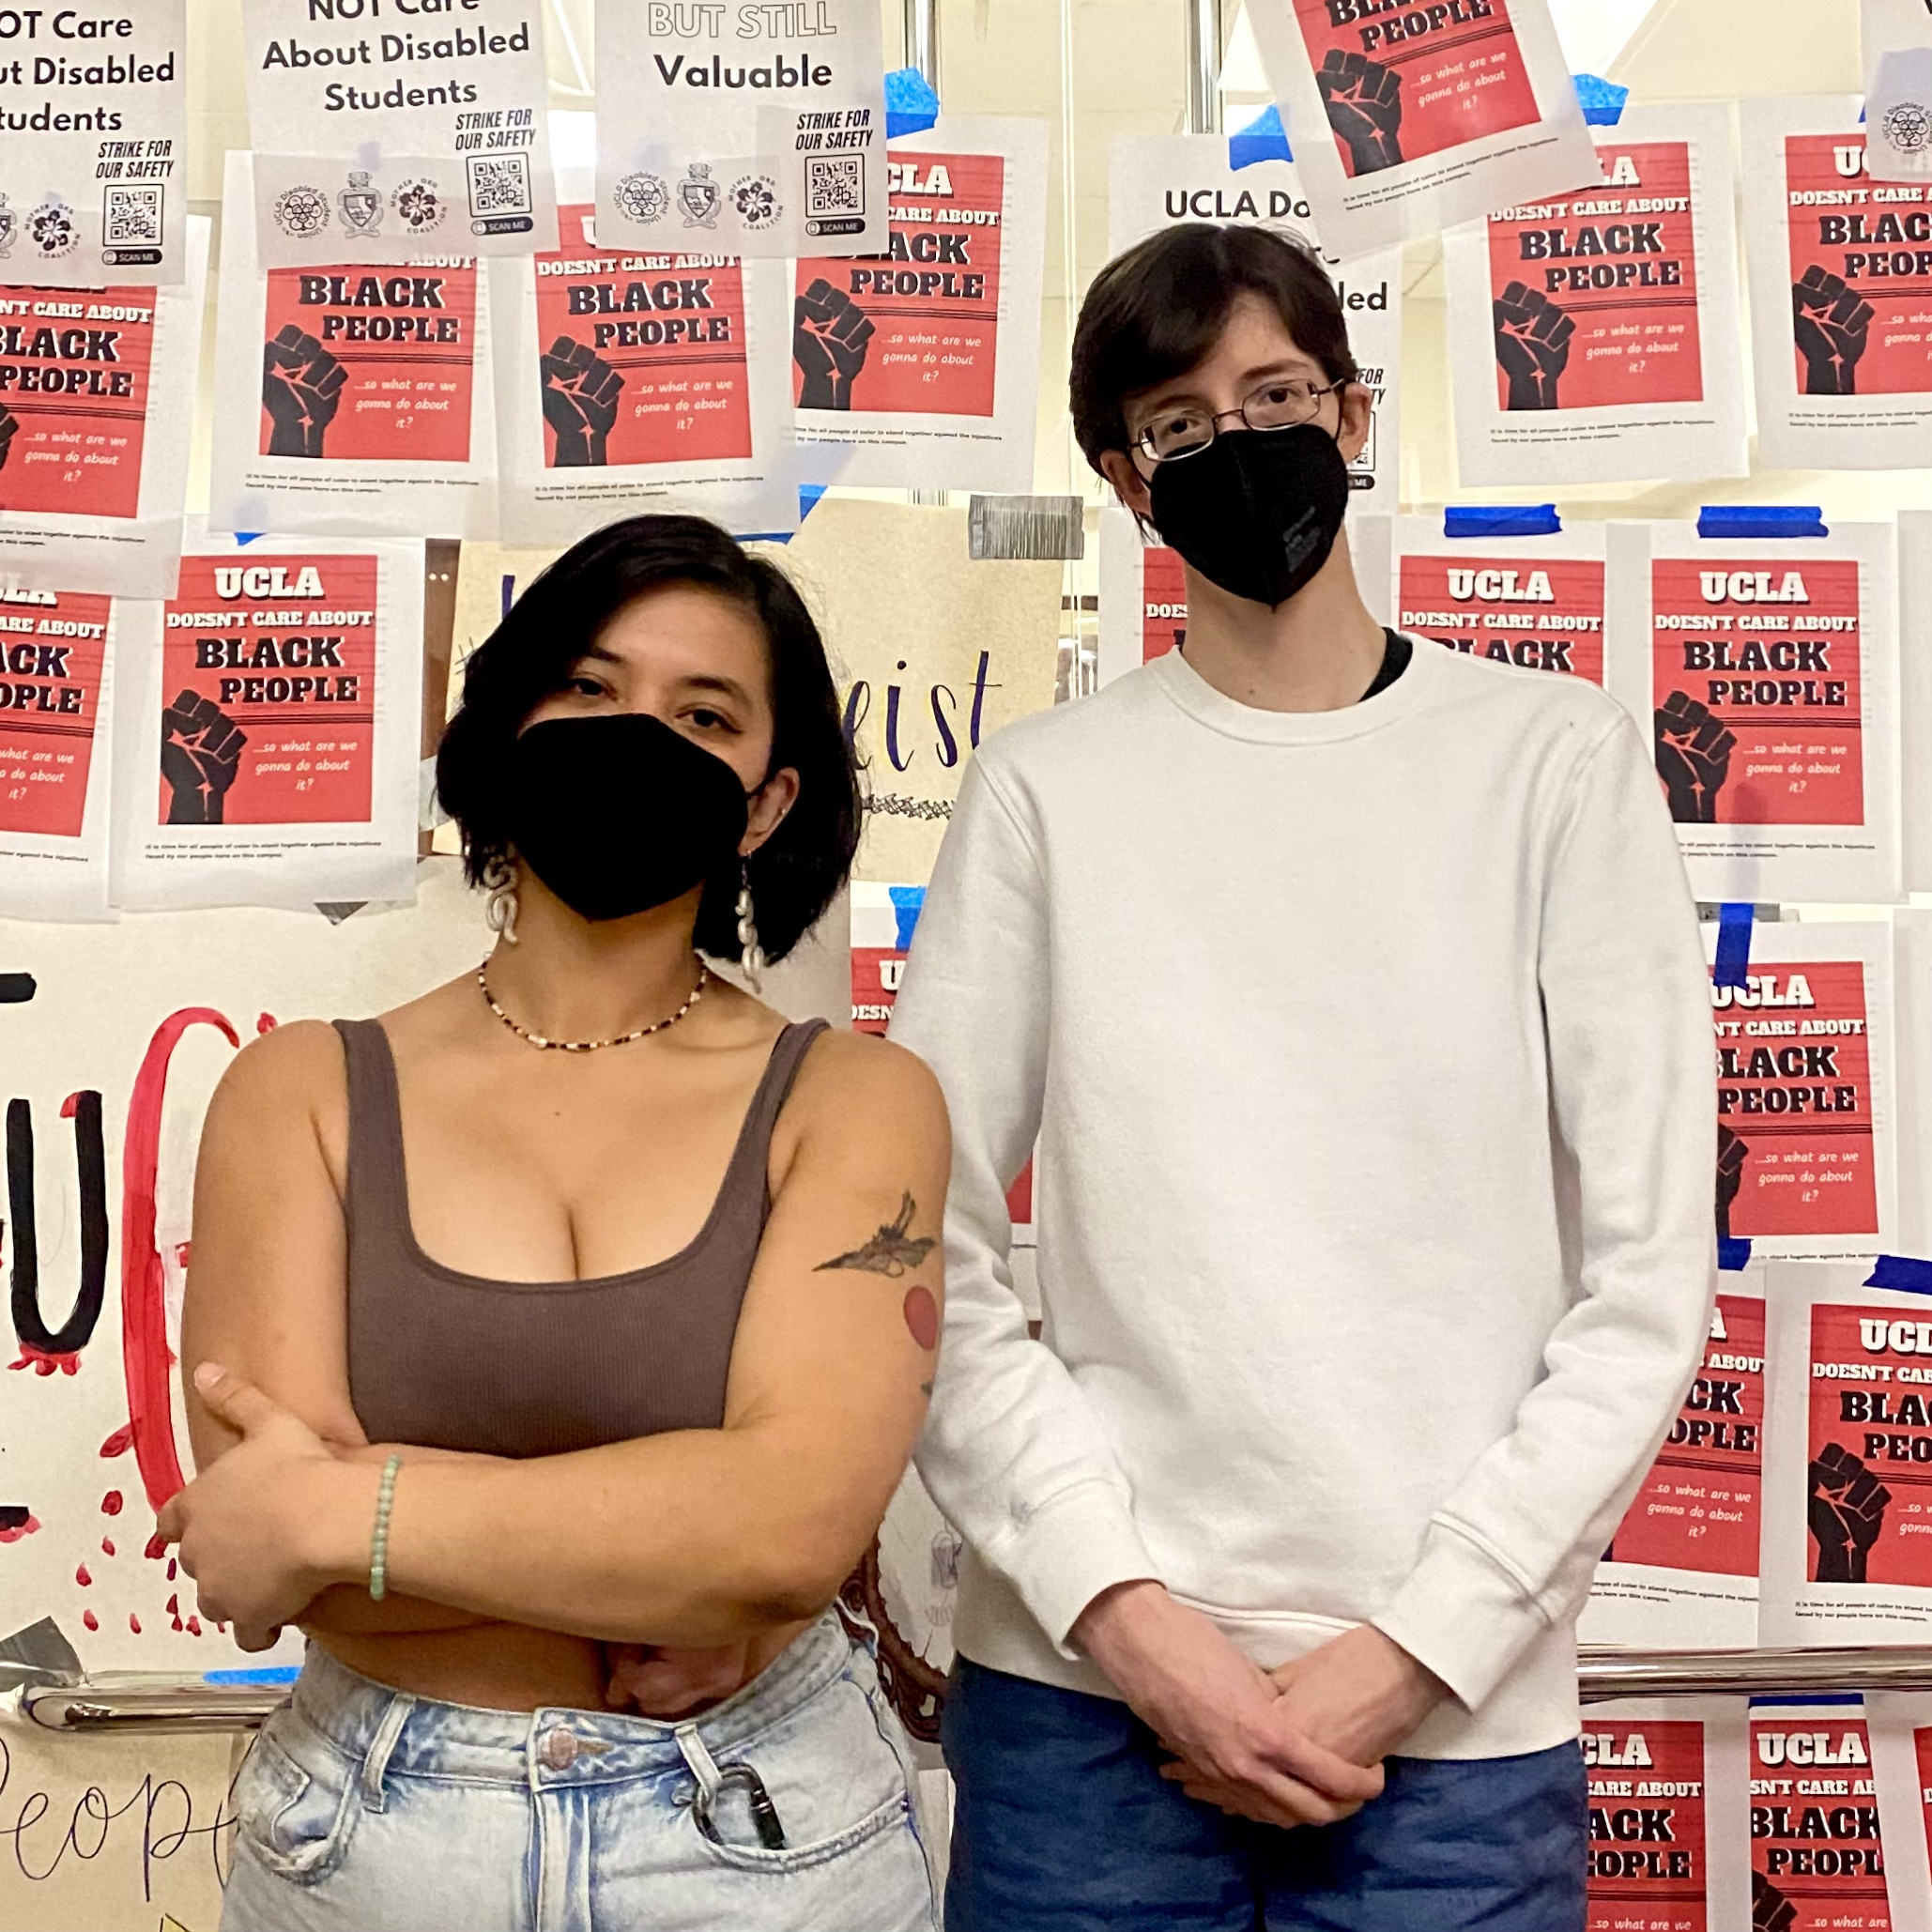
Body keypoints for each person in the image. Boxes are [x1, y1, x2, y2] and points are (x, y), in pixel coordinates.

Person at [889, 222, 1715, 1931]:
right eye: (1177, 424)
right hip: (1084, 1714)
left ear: (1349, 414)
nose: (1237, 440)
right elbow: (921, 1255)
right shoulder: (1046, 793)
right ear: (1126, 481)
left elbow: (1643, 1281)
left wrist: (1419, 1645)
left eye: (1274, 393)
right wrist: (1123, 1616)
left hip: (1456, 1717)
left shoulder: (1553, 764)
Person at [161, 514, 950, 1932]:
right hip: (374, 1837)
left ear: (765, 806)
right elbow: (263, 1559)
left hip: (759, 1827)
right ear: (506, 724)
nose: (635, 730)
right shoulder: (300, 1092)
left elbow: (783, 1531)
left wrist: (350, 1501)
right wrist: (678, 1548)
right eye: (589, 687)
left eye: (701, 712)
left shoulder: (855, 1098)